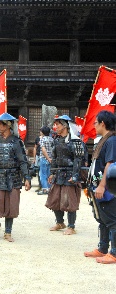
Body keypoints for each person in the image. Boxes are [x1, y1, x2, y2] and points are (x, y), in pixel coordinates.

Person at [0, 113, 31, 242]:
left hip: (13, 177)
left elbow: (22, 161)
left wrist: (27, 177)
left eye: (0, 124)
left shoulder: (16, 142)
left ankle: (8, 232)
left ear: (8, 125)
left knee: (11, 204)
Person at [84, 110, 116, 263]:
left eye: (96, 122)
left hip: (106, 186)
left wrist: (102, 185)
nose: (94, 125)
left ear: (103, 123)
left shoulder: (111, 141)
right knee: (102, 218)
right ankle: (103, 248)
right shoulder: (103, 140)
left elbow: (109, 164)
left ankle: (114, 252)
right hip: (96, 185)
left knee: (112, 219)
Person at [45, 115, 85, 235]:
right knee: (55, 199)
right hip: (59, 174)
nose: (55, 127)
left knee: (70, 201)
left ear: (65, 126)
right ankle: (60, 222)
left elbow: (78, 160)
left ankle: (71, 226)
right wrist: (52, 173)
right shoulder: (56, 140)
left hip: (70, 174)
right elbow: (54, 158)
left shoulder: (76, 141)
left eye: (58, 124)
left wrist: (75, 175)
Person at [37, 126, 54, 195]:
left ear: (42, 132)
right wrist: (50, 158)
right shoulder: (52, 139)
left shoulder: (42, 139)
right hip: (51, 159)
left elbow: (43, 150)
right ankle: (49, 188)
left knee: (42, 174)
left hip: (44, 158)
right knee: (49, 174)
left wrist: (47, 158)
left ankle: (44, 189)